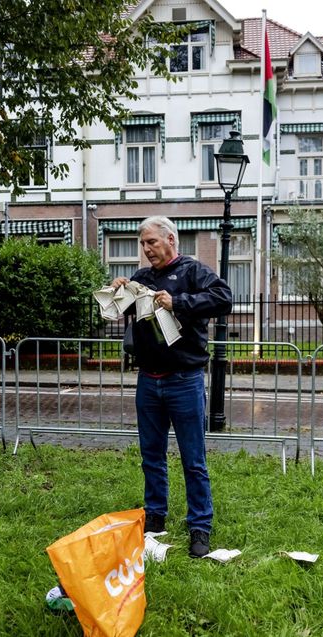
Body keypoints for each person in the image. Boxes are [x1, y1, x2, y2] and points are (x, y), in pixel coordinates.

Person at [109, 216, 232, 558]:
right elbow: (125, 312)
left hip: (184, 380)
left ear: (171, 240)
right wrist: (119, 293)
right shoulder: (142, 277)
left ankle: (200, 527)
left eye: (151, 242)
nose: (146, 249)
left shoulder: (193, 271)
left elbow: (224, 298)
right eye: (143, 243)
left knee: (193, 460)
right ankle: (155, 520)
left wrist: (179, 302)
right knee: (151, 457)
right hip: (148, 380)